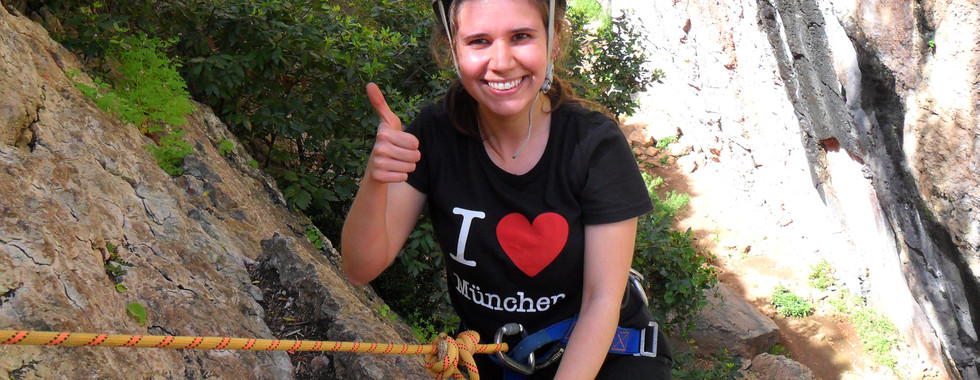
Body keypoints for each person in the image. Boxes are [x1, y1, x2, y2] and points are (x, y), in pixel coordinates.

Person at [341, 0, 672, 378]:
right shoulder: (435, 135)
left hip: (605, 357)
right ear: (452, 49)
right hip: (497, 360)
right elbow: (359, 267)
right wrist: (376, 177)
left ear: (555, 40)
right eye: (479, 41)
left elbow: (602, 300)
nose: (500, 61)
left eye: (521, 36)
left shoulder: (593, 146)